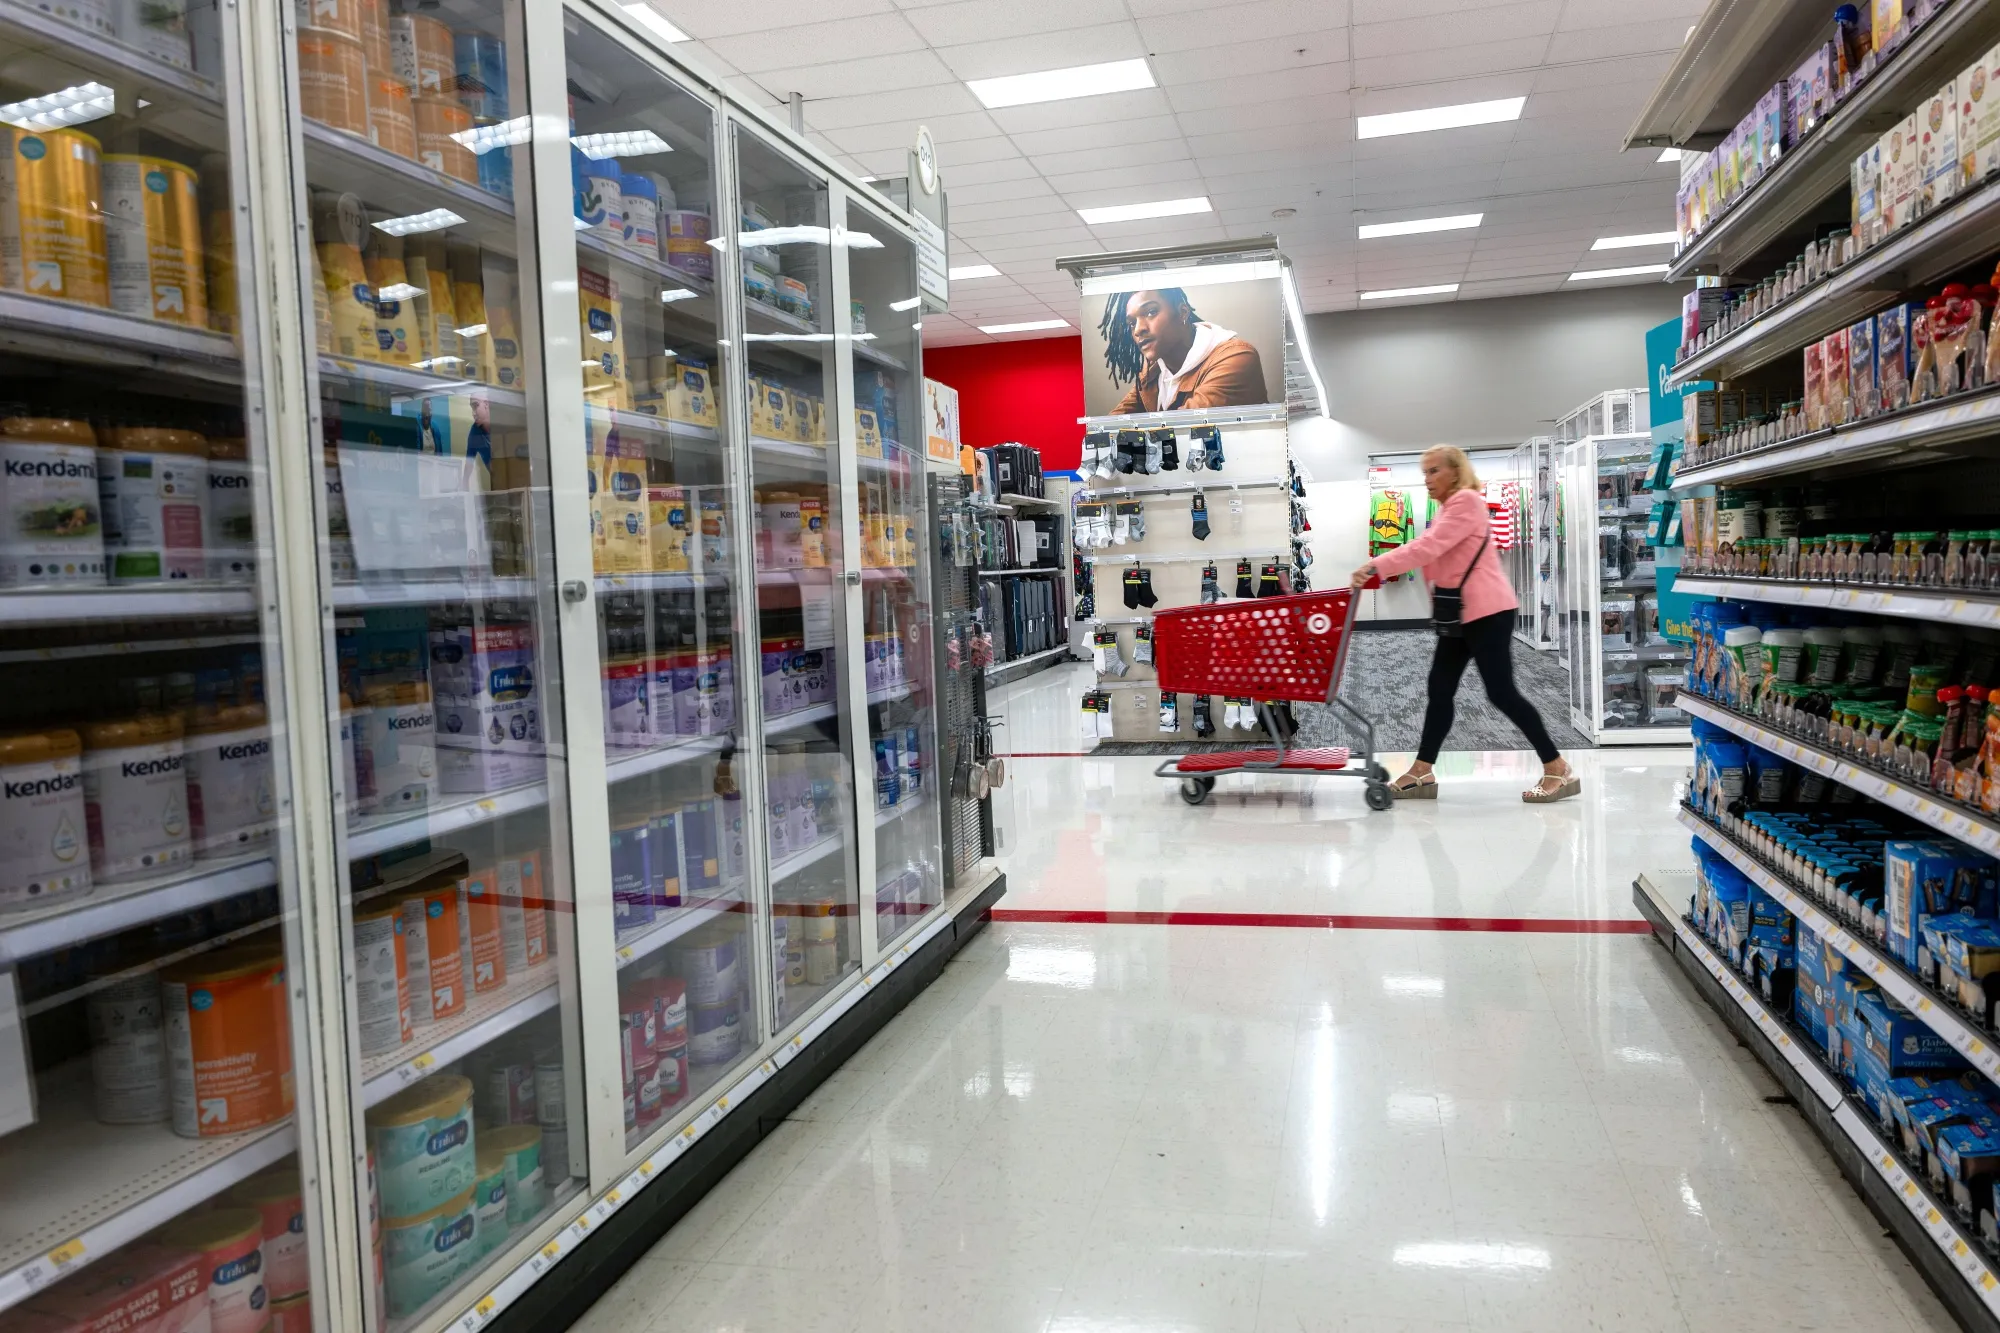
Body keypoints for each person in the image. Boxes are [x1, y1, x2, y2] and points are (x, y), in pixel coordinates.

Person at [1349, 445, 1578, 803]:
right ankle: (1422, 770)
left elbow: (1428, 547)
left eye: (1434, 471)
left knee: (1501, 692)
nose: (1427, 479)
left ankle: (1557, 766)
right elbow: (1432, 551)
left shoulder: (1467, 503)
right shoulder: (1447, 508)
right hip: (1458, 613)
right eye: (1424, 472)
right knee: (1439, 690)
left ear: (1455, 472)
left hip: (1487, 612)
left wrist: (1377, 565)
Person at [1101, 288, 1269, 414]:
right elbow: (1114, 423)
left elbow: (1182, 427)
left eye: (1151, 312)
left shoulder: (1236, 358)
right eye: (1132, 323)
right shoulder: (1153, 369)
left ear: (1182, 313)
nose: (1138, 330)